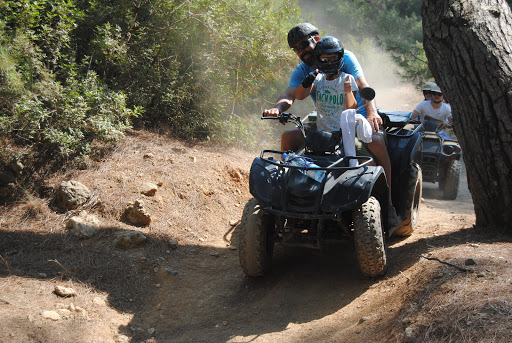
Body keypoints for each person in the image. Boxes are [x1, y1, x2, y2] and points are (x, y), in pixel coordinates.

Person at [263, 23, 399, 228]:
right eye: (296, 49)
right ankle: (289, 197)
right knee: (288, 138)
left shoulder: (342, 57)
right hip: (325, 121)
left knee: (378, 142)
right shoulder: (306, 71)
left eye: (303, 45)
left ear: (316, 40)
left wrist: (371, 112)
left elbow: (363, 86)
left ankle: (388, 203)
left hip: (354, 118)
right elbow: (291, 94)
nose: (301, 51)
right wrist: (278, 109)